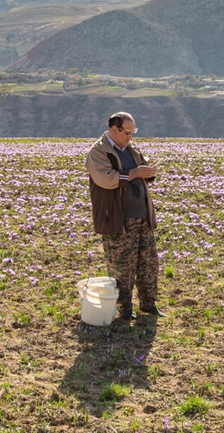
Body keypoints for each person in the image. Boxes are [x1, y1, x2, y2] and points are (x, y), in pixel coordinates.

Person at [85, 111, 163, 321]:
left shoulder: (131, 149)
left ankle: (149, 304)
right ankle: (125, 308)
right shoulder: (99, 152)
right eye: (127, 132)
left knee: (148, 263)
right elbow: (106, 179)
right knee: (122, 267)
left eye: (133, 132)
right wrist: (136, 173)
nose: (130, 136)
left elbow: (141, 172)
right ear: (114, 129)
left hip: (142, 216)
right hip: (118, 219)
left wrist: (147, 172)